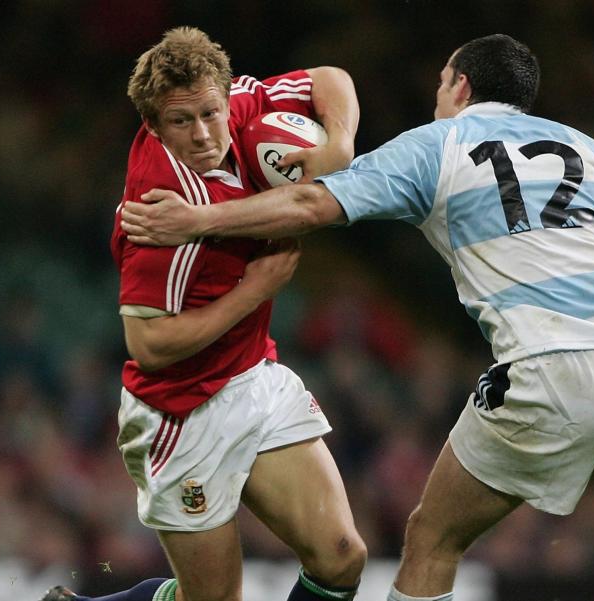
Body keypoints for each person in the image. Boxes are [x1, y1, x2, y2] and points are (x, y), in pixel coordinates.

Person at [120, 34, 594, 601]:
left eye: (442, 82)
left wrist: (197, 221)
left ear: (459, 85)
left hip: (547, 368)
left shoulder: (436, 147)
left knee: (432, 538)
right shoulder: (583, 149)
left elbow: (316, 202)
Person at [42, 27, 367, 601]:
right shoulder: (156, 215)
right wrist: (253, 290)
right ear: (152, 125)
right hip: (180, 411)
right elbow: (150, 345)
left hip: (251, 375)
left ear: (225, 95)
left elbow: (328, 79)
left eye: (210, 114)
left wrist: (338, 145)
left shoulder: (236, 104)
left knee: (341, 558)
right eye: (180, 122)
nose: (202, 134)